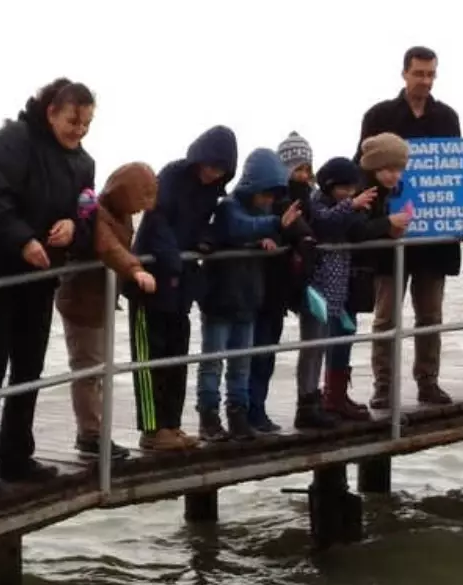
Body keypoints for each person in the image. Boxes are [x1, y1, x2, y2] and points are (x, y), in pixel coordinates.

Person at [0, 78, 96, 494]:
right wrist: (23, 239)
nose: (79, 130)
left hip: (39, 277)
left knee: (29, 366)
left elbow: (89, 212)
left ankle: (17, 457)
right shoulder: (12, 141)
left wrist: (75, 226)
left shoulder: (84, 162)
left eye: (87, 124)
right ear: (52, 111)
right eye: (74, 121)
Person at [355, 45, 462, 407]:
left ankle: (427, 382)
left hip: (433, 235)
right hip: (390, 233)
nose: (425, 80)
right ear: (404, 73)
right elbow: (362, 168)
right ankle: (383, 387)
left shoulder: (448, 117)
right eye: (419, 73)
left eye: (431, 74)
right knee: (385, 318)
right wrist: (380, 219)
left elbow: (457, 171)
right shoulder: (379, 115)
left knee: (430, 315)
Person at [130, 126, 238, 450]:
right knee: (150, 358)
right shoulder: (172, 176)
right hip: (150, 281)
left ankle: (171, 425)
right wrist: (172, 260)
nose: (211, 174)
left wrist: (206, 240)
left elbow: (210, 225)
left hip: (182, 286)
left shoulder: (213, 192)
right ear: (197, 159)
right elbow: (156, 220)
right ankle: (151, 430)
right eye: (208, 166)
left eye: (219, 170)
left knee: (177, 356)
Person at [55, 162, 158, 459]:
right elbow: (108, 247)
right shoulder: (99, 214)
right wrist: (136, 269)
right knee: (88, 369)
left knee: (97, 369)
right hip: (81, 301)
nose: (140, 209)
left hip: (100, 299)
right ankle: (90, 435)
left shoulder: (121, 215)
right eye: (139, 200)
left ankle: (94, 431)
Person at [198, 148, 301, 441]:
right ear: (252, 185)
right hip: (220, 299)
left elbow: (259, 229)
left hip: (248, 299)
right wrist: (271, 227)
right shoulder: (228, 207)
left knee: (241, 364)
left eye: (273, 195)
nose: (269, 201)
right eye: (265, 193)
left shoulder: (265, 215)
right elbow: (239, 227)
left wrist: (269, 236)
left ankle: (238, 415)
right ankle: (208, 417)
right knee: (213, 362)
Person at [296, 157, 387, 428]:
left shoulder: (344, 207)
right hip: (317, 289)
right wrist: (352, 205)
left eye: (352, 189)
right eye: (343, 189)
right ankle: (308, 403)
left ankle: (324, 398)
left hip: (337, 291)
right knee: (312, 347)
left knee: (327, 343)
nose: (348, 194)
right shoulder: (318, 203)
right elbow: (323, 225)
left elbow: (356, 228)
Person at [247, 131, 318, 433]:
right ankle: (249, 410)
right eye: (295, 168)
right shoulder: (274, 199)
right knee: (255, 352)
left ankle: (257, 409)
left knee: (267, 352)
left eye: (305, 169)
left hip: (279, 291)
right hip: (261, 289)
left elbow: (306, 232)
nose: (300, 175)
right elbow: (293, 229)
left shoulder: (307, 200)